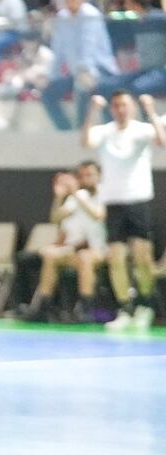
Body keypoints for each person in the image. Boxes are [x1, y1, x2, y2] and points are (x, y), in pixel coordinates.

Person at [81, 91, 166, 331]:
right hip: (114, 203)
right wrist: (93, 110)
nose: (121, 109)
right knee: (116, 258)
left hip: (138, 201)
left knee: (142, 258)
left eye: (125, 105)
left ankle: (145, 306)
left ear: (132, 107)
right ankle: (126, 308)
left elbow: (162, 141)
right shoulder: (105, 131)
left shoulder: (142, 129)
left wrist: (151, 110)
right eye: (116, 105)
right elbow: (86, 142)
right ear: (112, 109)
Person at [23, 163, 107, 323]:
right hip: (80, 251)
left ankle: (86, 310)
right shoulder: (80, 196)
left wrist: (75, 193)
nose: (85, 179)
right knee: (51, 257)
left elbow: (98, 215)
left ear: (99, 176)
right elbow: (55, 218)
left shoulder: (105, 194)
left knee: (85, 257)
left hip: (102, 250)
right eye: (82, 176)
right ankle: (44, 307)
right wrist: (59, 197)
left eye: (89, 175)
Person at [42, 0, 119, 131]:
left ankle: (86, 131)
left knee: (84, 90)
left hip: (99, 69)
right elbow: (58, 50)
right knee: (48, 93)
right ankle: (66, 130)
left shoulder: (91, 14)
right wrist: (52, 76)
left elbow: (88, 46)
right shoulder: (62, 17)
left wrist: (85, 74)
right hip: (76, 72)